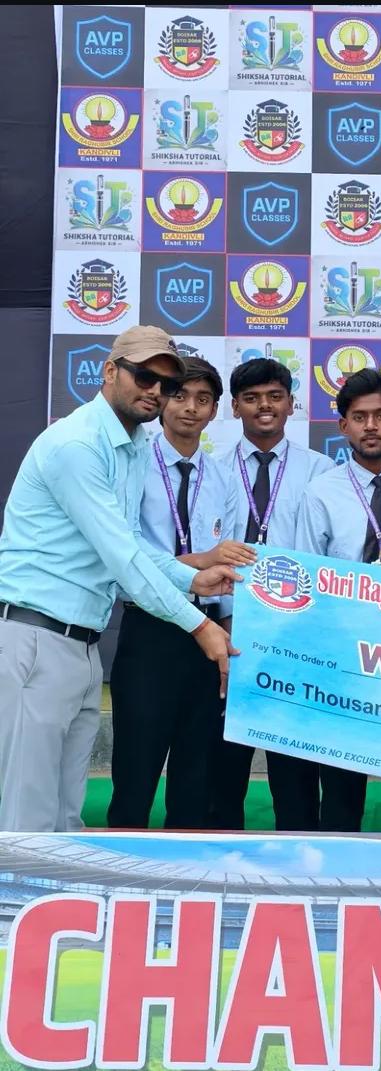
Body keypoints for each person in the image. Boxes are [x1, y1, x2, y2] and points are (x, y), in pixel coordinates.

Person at [0, 325, 238, 833]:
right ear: (110, 371)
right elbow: (122, 555)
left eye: (166, 385)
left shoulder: (129, 445)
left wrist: (193, 581)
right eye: (145, 377)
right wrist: (200, 626)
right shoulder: (77, 444)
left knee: (65, 816)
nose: (156, 392)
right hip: (35, 639)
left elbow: (131, 546)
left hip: (82, 646)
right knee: (25, 820)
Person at [108, 354, 256, 830]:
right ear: (162, 400)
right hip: (150, 628)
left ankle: (186, 887)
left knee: (196, 774)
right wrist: (199, 562)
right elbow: (127, 553)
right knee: (135, 769)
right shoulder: (134, 463)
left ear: (216, 411)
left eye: (203, 400)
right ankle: (120, 878)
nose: (189, 408)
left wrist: (228, 644)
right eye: (179, 396)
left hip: (206, 633)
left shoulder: (224, 477)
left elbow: (228, 566)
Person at [296, 368, 381, 833]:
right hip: (344, 658)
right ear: (343, 427)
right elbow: (309, 580)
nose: (370, 426)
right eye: (359, 417)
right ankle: (336, 888)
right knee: (341, 790)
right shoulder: (320, 492)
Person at [211, 357, 334, 832]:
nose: (264, 406)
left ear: (291, 403)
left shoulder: (321, 471)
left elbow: (325, 553)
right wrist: (221, 620)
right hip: (228, 631)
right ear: (235, 407)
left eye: (274, 396)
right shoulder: (214, 470)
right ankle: (222, 867)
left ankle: (301, 869)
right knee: (224, 766)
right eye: (252, 397)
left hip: (296, 637)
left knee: (295, 774)